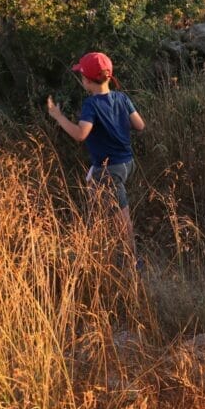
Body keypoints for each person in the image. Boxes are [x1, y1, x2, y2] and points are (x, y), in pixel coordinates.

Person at [47, 51, 146, 265]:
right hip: (127, 164)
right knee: (98, 203)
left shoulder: (91, 105)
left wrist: (58, 116)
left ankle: (131, 262)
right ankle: (100, 252)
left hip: (109, 169)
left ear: (86, 80)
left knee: (121, 218)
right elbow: (140, 125)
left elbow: (80, 135)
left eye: (81, 76)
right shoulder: (122, 98)